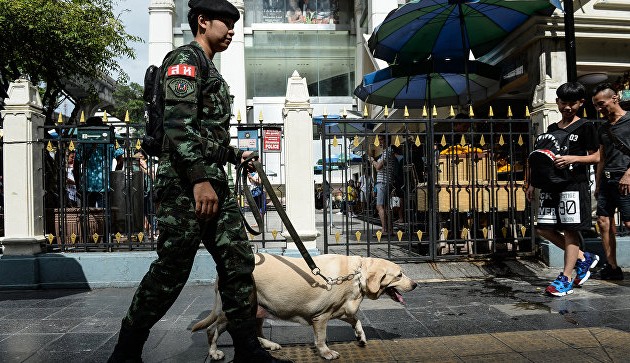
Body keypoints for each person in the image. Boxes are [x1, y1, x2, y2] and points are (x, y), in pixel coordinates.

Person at [108, 1, 292, 362]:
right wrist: (198, 180)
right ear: (203, 21)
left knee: (237, 264)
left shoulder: (209, 69)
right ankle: (126, 350)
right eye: (226, 22)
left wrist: (232, 155)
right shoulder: (185, 61)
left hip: (211, 181)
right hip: (185, 185)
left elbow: (206, 133)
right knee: (171, 271)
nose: (232, 30)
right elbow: (178, 129)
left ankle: (248, 350)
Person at [526, 82, 600, 297]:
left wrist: (572, 158)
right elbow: (541, 159)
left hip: (573, 186)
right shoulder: (551, 130)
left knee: (570, 230)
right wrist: (532, 183)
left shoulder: (586, 126)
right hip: (550, 185)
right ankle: (583, 258)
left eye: (572, 103)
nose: (567, 107)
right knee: (543, 229)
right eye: (563, 103)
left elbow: (596, 156)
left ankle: (566, 278)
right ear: (557, 102)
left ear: (581, 103)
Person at [593, 82, 630, 281]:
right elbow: (602, 158)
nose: (599, 109)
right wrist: (598, 184)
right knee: (603, 222)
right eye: (596, 106)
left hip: (626, 179)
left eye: (601, 104)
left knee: (628, 222)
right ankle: (612, 267)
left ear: (614, 98)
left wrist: (628, 175)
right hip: (607, 180)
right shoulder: (603, 128)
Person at [74, 116, 124, 208]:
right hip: (105, 185)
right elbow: (120, 161)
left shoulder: (82, 144)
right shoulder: (110, 142)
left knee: (87, 216)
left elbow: (76, 166)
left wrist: (78, 186)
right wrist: (114, 178)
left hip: (86, 185)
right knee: (105, 215)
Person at [369, 134, 394, 236]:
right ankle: (390, 230)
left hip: (383, 182)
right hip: (385, 181)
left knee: (379, 206)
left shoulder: (387, 151)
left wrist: (373, 161)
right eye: (379, 140)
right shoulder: (387, 152)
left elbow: (378, 167)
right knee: (386, 207)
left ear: (386, 140)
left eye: (381, 140)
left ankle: (384, 230)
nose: (380, 142)